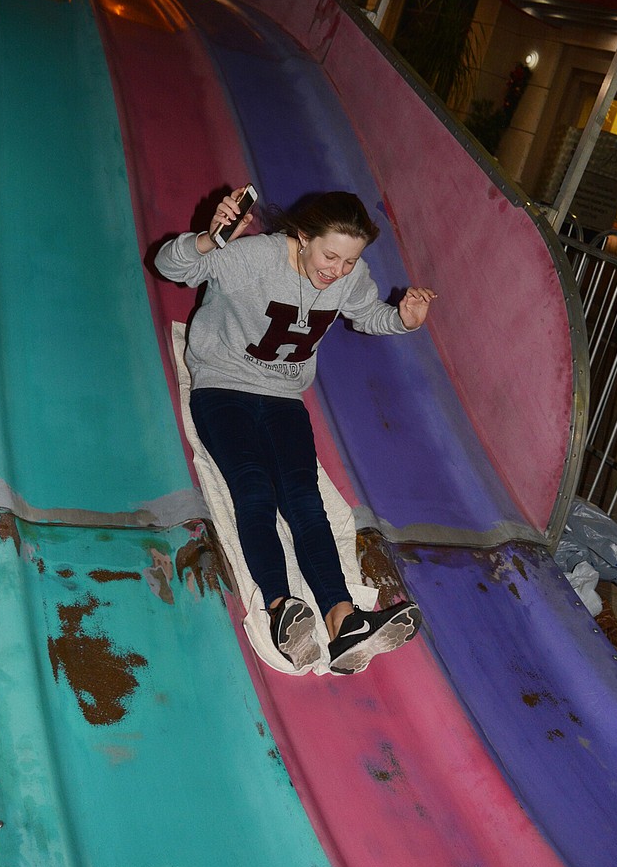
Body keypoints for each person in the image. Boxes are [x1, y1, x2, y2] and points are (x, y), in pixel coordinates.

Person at [155, 188, 437, 675]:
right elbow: (170, 266)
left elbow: (366, 313)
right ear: (302, 237)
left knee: (306, 502)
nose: (338, 271)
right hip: (223, 389)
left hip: (285, 400)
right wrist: (209, 240)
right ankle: (282, 608)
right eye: (330, 256)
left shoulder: (349, 276)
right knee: (253, 489)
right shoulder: (253, 258)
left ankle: (343, 623)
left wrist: (402, 320)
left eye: (350, 261)